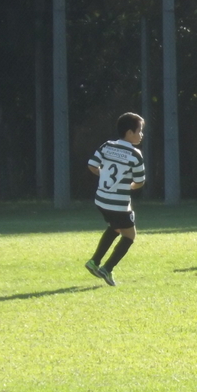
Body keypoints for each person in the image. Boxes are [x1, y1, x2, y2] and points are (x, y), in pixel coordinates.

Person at [84, 112, 146, 286]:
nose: (141, 134)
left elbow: (92, 165)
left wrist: (103, 176)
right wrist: (131, 186)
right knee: (130, 235)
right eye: (139, 130)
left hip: (101, 199)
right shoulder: (135, 154)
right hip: (118, 204)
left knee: (115, 227)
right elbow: (140, 181)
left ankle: (94, 262)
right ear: (129, 133)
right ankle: (107, 268)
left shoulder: (107, 146)